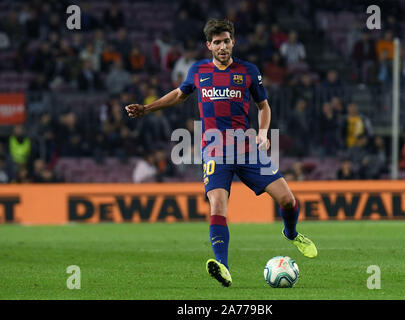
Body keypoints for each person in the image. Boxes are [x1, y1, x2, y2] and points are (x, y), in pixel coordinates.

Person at [125, 18, 317, 287]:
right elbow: (179, 95)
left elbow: (264, 106)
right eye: (217, 42)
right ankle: (223, 267)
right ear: (209, 45)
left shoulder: (248, 71)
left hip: (247, 147)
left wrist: (263, 132)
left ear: (233, 42)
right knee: (217, 204)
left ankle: (291, 232)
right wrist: (147, 108)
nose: (223, 46)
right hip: (215, 150)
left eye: (226, 41)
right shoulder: (198, 71)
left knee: (287, 200)